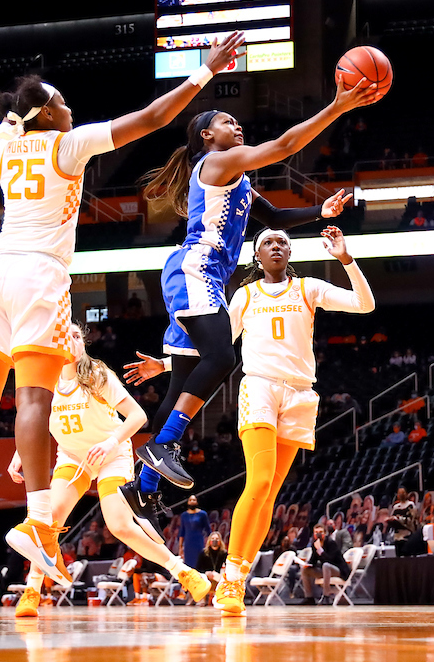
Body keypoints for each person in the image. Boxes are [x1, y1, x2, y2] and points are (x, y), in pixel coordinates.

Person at [0, 32, 247, 589]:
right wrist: (204, 72)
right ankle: (38, 522)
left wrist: (13, 120)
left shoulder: (6, 147)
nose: (70, 109)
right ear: (49, 114)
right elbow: (151, 118)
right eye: (62, 102)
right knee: (33, 398)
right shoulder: (68, 143)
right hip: (39, 277)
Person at [125, 72, 380, 532]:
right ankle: (164, 445)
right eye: (227, 121)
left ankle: (142, 487)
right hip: (196, 269)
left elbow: (276, 216)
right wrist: (338, 106)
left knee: (182, 381)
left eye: (236, 121)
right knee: (223, 357)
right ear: (207, 136)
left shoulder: (238, 180)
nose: (237, 126)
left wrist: (319, 212)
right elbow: (284, 145)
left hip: (201, 276)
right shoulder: (217, 163)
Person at [126, 226, 373, 615]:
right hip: (259, 387)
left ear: (289, 253)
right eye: (268, 243)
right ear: (257, 256)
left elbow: (364, 304)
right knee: (257, 483)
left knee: (270, 495)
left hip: (300, 394)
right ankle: (230, 578)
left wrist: (345, 258)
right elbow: (216, 349)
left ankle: (237, 579)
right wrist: (167, 364)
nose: (276, 246)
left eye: (282, 242)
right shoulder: (245, 295)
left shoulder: (307, 288)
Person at [5, 324, 210, 617]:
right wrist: (20, 452)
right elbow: (35, 423)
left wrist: (110, 442)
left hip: (111, 454)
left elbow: (137, 416)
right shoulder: (46, 381)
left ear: (83, 343)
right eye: (66, 336)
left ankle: (183, 572)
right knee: (46, 522)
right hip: (73, 457)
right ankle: (32, 591)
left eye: (77, 336)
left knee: (119, 525)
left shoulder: (97, 374)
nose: (72, 340)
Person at [299, 523, 349, 604]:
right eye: (316, 532)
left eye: (320, 532)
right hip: (325, 571)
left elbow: (330, 560)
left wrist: (319, 549)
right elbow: (313, 561)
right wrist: (307, 564)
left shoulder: (331, 543)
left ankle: (326, 596)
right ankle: (309, 597)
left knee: (326, 565)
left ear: (325, 533)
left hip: (338, 570)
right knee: (304, 570)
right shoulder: (315, 544)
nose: (318, 534)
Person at [194, 531, 228, 604]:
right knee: (201, 578)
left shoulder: (224, 553)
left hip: (218, 577)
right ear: (209, 541)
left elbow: (227, 568)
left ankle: (220, 599)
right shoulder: (203, 553)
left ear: (220, 541)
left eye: (217, 539)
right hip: (206, 576)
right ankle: (202, 599)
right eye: (213, 538)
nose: (215, 540)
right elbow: (197, 569)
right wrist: (206, 573)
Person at [179, 495, 210, 570]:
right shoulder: (184, 515)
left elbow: (208, 530)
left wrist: (208, 544)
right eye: (190, 500)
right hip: (188, 543)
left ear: (197, 502)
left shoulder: (203, 514)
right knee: (188, 565)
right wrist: (180, 546)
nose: (192, 501)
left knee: (199, 563)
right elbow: (182, 531)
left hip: (199, 542)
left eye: (194, 500)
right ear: (188, 502)